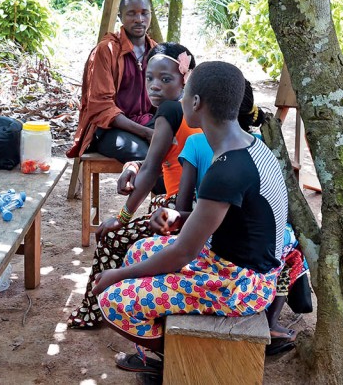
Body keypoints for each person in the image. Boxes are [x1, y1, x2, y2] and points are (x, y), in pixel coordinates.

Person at [93, 62, 288, 379]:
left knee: (114, 299)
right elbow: (235, 219)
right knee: (139, 250)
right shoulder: (249, 148)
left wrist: (118, 274)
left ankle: (181, 359)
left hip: (239, 283)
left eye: (184, 94)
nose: (180, 99)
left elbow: (183, 252)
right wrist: (181, 217)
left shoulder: (225, 168)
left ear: (195, 103)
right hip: (246, 265)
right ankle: (180, 349)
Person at [161, 82, 310, 358]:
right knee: (292, 251)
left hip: (235, 274)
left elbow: (185, 242)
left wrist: (120, 275)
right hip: (252, 258)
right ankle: (272, 321)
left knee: (123, 292)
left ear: (197, 102)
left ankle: (164, 359)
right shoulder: (260, 146)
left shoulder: (213, 155)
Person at [67, 43, 198, 329]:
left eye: (166, 79)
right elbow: (155, 158)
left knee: (112, 237)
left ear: (185, 78)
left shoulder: (170, 110)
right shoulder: (191, 110)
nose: (155, 86)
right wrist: (133, 165)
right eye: (150, 78)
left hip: (179, 211)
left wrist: (122, 217)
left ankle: (93, 311)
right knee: (133, 235)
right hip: (190, 208)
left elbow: (152, 169)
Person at [67, 0, 158, 163]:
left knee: (184, 146)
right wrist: (145, 133)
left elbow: (166, 98)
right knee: (147, 156)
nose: (139, 19)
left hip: (148, 123)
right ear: (120, 16)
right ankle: (143, 186)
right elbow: (102, 107)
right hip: (110, 129)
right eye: (131, 13)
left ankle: (172, 189)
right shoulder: (107, 50)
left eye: (144, 13)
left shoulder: (155, 52)